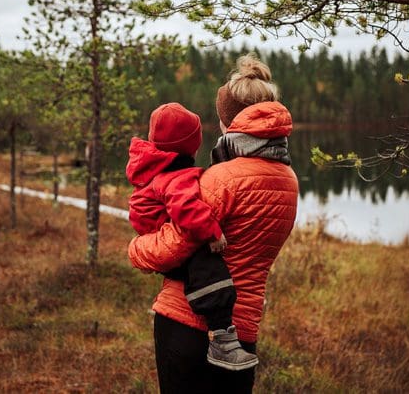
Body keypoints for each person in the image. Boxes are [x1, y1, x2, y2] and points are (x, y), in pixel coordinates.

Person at [128, 54, 299, 393]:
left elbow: (171, 248)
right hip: (244, 328)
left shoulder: (221, 178)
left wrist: (135, 249)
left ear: (229, 122)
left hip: (187, 321)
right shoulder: (289, 180)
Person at [125, 102, 259, 371]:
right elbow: (185, 207)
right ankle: (222, 338)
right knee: (209, 267)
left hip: (152, 225)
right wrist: (212, 232)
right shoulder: (176, 174)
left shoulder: (155, 164)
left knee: (188, 269)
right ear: (192, 145)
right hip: (161, 223)